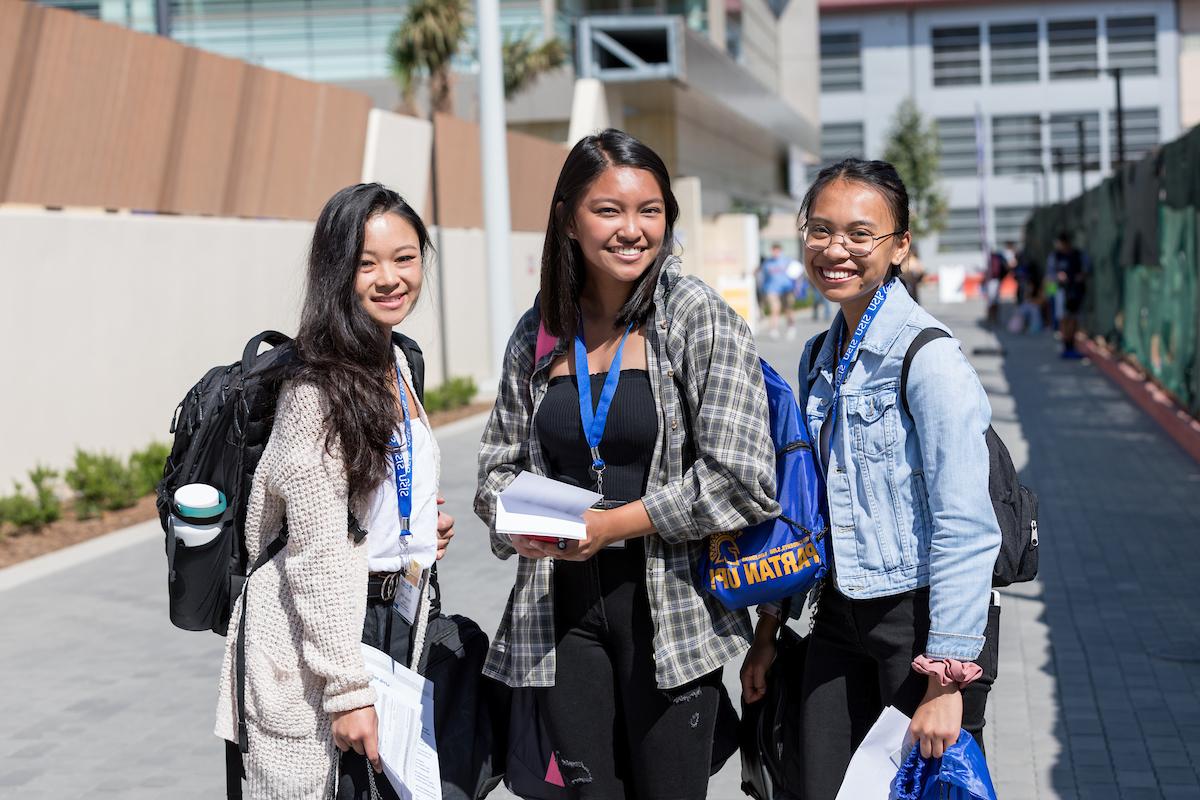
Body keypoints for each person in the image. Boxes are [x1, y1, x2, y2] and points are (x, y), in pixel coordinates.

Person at [475, 129, 779, 799]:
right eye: (608, 210)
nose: (632, 230)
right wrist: (517, 522)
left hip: (669, 622)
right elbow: (495, 472)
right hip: (561, 621)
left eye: (650, 210)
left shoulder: (694, 317)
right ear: (567, 218)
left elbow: (746, 481)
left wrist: (614, 525)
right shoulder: (541, 328)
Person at [739, 158, 1001, 799]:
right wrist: (769, 632)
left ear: (900, 246)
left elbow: (966, 523)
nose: (836, 250)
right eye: (820, 230)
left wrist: (947, 682)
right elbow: (802, 504)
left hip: (918, 625)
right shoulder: (817, 355)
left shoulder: (928, 356)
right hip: (836, 612)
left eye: (860, 234)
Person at [214, 183, 456, 799]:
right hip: (316, 647)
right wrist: (346, 694)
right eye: (366, 263)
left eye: (404, 258)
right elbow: (317, 555)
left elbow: (369, 505)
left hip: (388, 620)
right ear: (336, 273)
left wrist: (415, 529)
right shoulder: (314, 390)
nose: (389, 278)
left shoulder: (395, 362)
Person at [1048, 232, 1087, 359]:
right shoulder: (1055, 256)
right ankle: (1066, 346)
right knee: (1064, 319)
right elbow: (1049, 275)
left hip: (1076, 291)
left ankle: (1072, 345)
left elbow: (1087, 269)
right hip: (1061, 292)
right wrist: (1055, 282)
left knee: (1074, 319)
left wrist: (1081, 276)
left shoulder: (1077, 254)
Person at [760, 242, 798, 339]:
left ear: (780, 251)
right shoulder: (767, 263)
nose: (775, 253)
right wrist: (763, 290)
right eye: (773, 251)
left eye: (777, 250)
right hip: (772, 289)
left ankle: (791, 326)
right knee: (775, 308)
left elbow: (797, 272)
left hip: (787, 288)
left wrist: (797, 287)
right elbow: (763, 277)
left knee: (788, 309)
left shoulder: (787, 261)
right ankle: (773, 330)